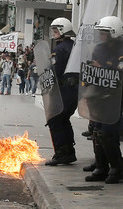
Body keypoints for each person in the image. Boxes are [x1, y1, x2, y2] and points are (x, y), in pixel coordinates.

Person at [82, 16, 123, 183]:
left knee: (108, 132)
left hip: (117, 97)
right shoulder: (99, 48)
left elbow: (119, 71)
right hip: (100, 96)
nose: (101, 35)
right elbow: (94, 67)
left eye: (104, 32)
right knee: (97, 132)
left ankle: (117, 168)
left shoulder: (121, 49)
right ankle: (101, 167)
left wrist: (104, 68)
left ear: (114, 32)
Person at [44, 17, 79, 166]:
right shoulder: (75, 46)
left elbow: (55, 70)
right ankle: (69, 150)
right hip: (75, 90)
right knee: (64, 119)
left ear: (63, 30)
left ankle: (61, 152)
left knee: (54, 119)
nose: (53, 33)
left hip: (63, 89)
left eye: (56, 30)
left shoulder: (59, 49)